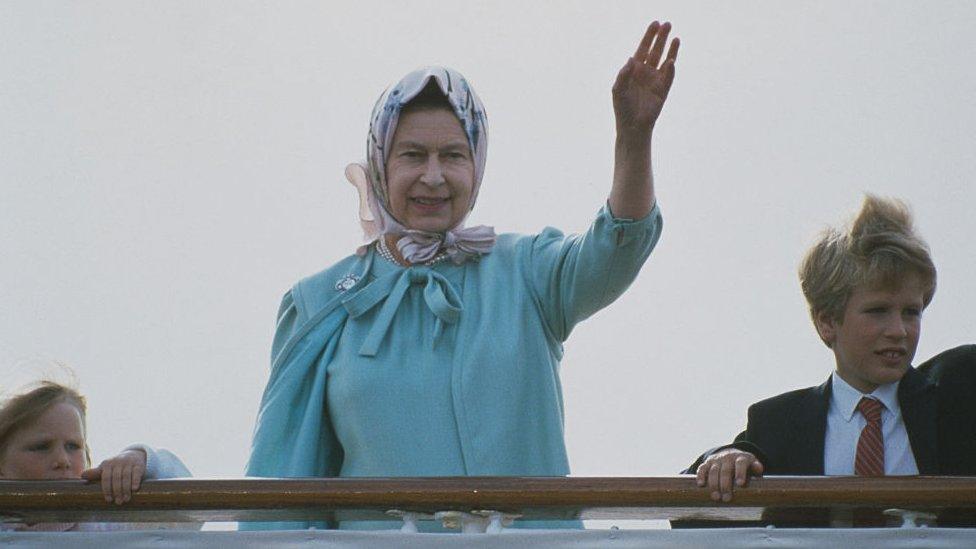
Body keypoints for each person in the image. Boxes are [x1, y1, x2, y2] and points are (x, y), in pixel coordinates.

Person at [246, 21, 679, 530]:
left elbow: (616, 249)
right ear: (380, 163)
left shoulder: (527, 270)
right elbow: (280, 488)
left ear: (477, 166)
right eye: (412, 155)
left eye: (453, 155)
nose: (433, 176)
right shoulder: (320, 301)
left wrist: (634, 136)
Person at [687, 195, 976, 507]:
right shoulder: (779, 422)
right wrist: (721, 457)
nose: (899, 330)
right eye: (878, 311)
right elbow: (685, 510)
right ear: (827, 322)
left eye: (911, 312)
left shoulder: (959, 393)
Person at [0, 381, 194, 532]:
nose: (63, 460)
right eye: (41, 447)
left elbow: (189, 514)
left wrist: (142, 460)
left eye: (73, 446)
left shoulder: (106, 523)